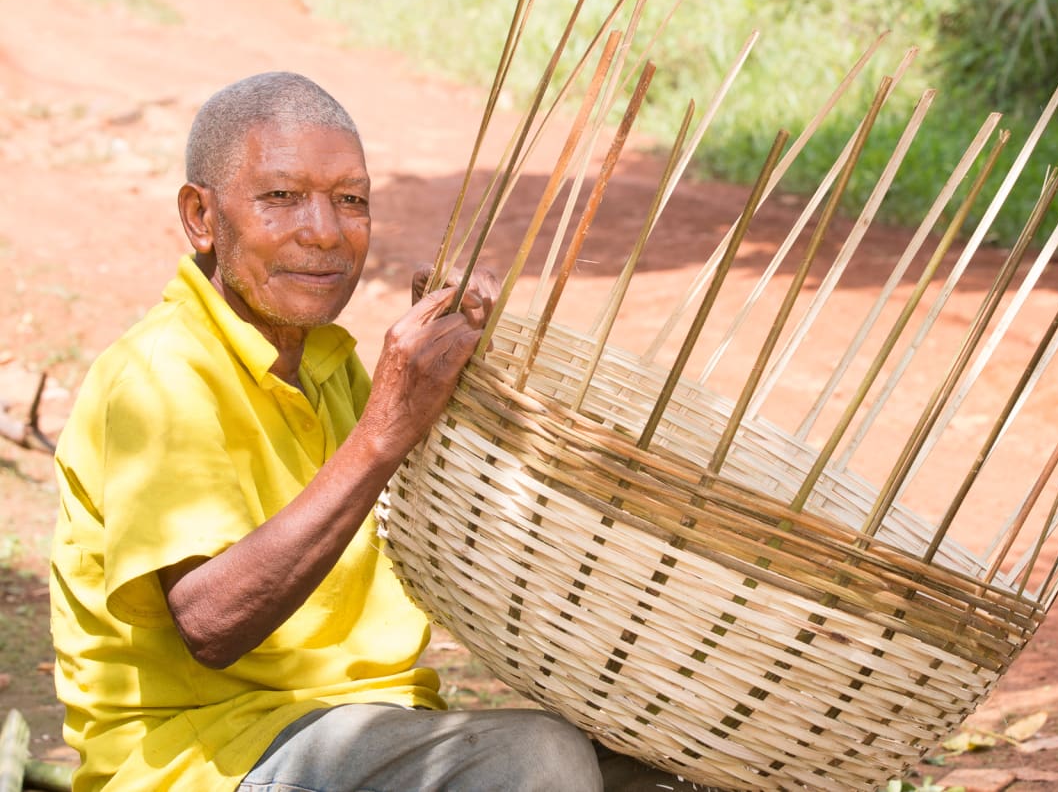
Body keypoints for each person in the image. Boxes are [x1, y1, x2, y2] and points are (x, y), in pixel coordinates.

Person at [49, 71, 705, 791]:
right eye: (281, 197)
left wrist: (476, 387)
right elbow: (210, 623)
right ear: (201, 218)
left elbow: (451, 536)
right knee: (538, 759)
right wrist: (386, 427)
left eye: (351, 200)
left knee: (655, 773)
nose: (324, 231)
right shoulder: (161, 372)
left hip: (368, 728)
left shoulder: (331, 366)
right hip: (210, 759)